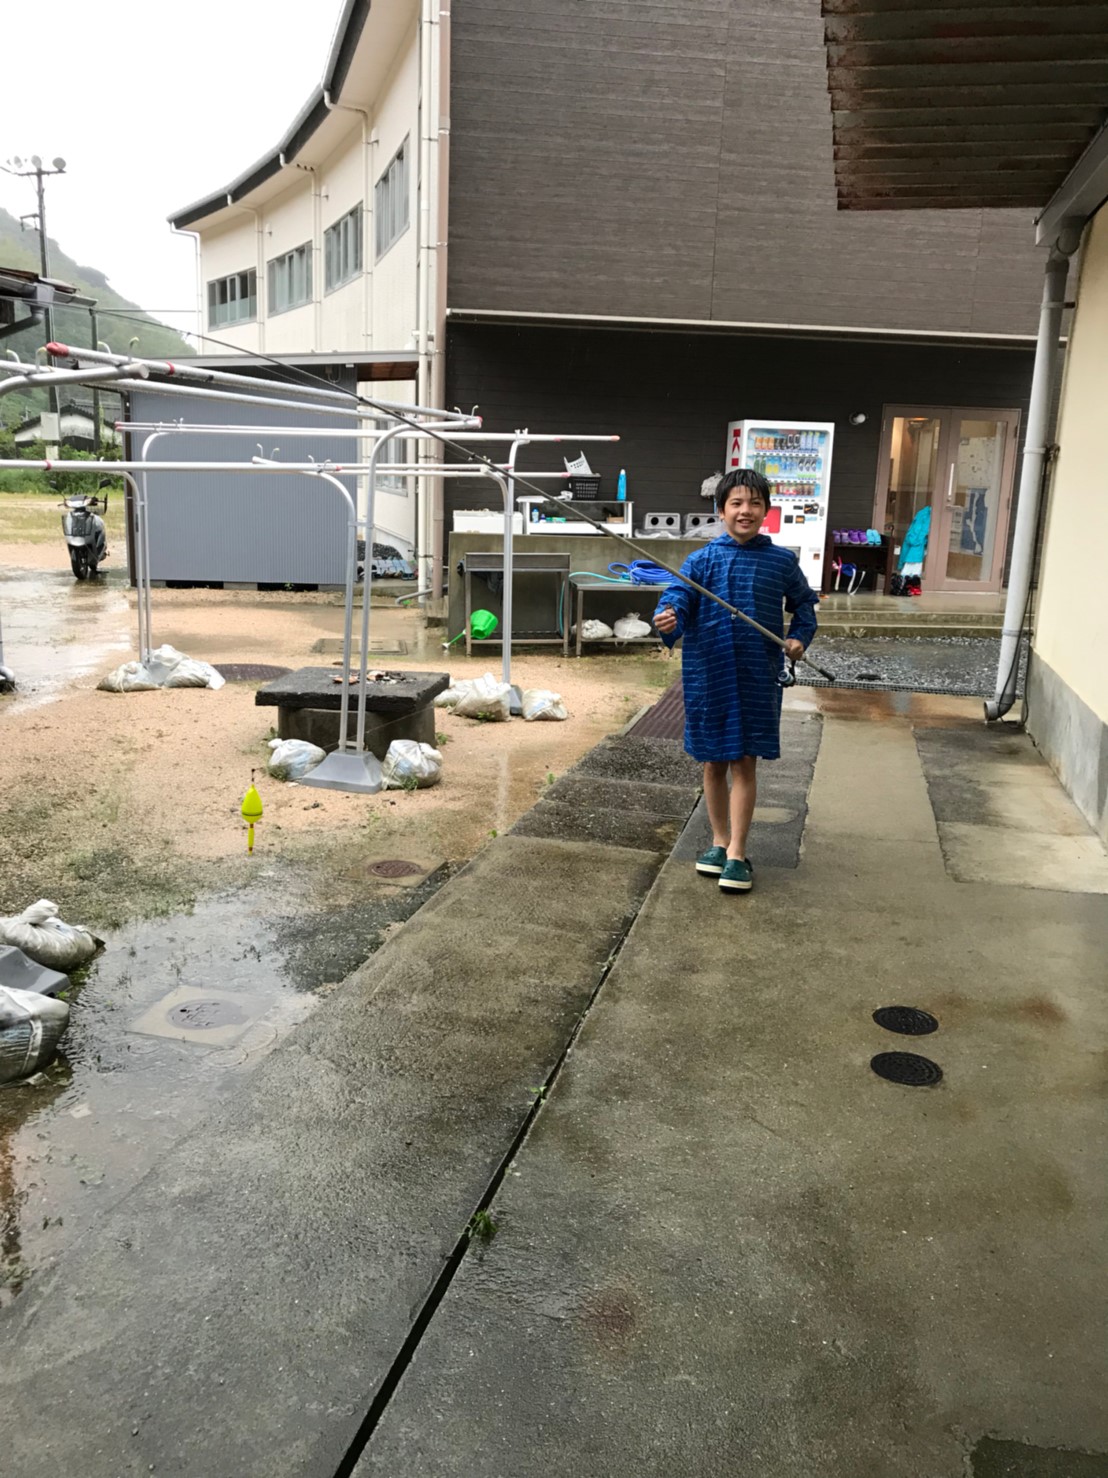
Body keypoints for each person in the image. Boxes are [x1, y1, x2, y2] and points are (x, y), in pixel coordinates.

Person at [653, 468, 818, 894]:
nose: (746, 511)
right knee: (713, 762)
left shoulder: (782, 561)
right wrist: (668, 618)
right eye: (736, 503)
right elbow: (677, 600)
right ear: (721, 510)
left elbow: (805, 605)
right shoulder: (700, 561)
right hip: (708, 674)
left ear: (766, 510)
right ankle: (718, 841)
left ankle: (737, 853)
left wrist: (799, 638)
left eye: (754, 503)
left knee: (745, 761)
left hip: (757, 674)